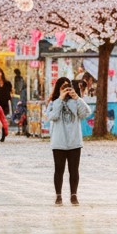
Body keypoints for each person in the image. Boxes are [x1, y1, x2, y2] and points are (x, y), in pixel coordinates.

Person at [44, 77, 91, 206]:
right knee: (59, 170)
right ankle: (58, 196)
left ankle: (73, 195)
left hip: (74, 141)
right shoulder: (54, 103)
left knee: (74, 170)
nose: (66, 89)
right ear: (58, 89)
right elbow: (52, 116)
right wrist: (60, 98)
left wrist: (77, 98)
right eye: (63, 87)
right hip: (58, 142)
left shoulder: (75, 102)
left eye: (68, 86)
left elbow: (86, 113)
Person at [0, 68, 14, 139]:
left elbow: (12, 91)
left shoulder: (7, 83)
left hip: (5, 103)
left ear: (2, 73)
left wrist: (10, 96)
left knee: (3, 118)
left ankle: (3, 135)